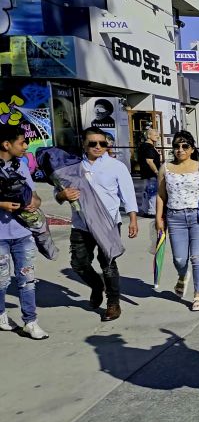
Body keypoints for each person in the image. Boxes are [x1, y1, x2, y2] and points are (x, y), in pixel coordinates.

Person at [58, 127, 138, 322]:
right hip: (81, 224)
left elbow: (128, 194)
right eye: (93, 143)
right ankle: (96, 285)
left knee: (108, 263)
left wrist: (133, 219)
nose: (98, 147)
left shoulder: (116, 166)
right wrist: (62, 195)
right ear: (84, 144)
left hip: (108, 223)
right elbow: (58, 192)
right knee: (79, 264)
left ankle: (113, 303)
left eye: (103, 143)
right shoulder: (73, 167)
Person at [155, 131, 199, 311]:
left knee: (196, 257)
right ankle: (183, 275)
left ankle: (198, 296)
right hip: (175, 218)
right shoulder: (166, 168)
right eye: (177, 146)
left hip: (198, 216)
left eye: (185, 146)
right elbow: (161, 196)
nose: (180, 149)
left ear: (192, 149)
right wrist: (158, 218)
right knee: (179, 258)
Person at [0, 126, 46, 339]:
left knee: (27, 279)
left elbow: (35, 196)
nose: (25, 147)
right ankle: (1, 313)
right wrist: (2, 205)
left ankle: (30, 321)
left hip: (22, 233)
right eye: (22, 142)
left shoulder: (22, 166)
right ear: (6, 144)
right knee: (1, 280)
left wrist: (33, 203)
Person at [137, 128, 162, 217]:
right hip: (151, 173)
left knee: (146, 192)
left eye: (158, 135)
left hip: (145, 172)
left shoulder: (143, 146)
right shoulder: (149, 147)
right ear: (148, 136)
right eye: (155, 135)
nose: (158, 136)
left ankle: (144, 209)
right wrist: (157, 172)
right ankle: (152, 211)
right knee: (153, 192)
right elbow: (149, 161)